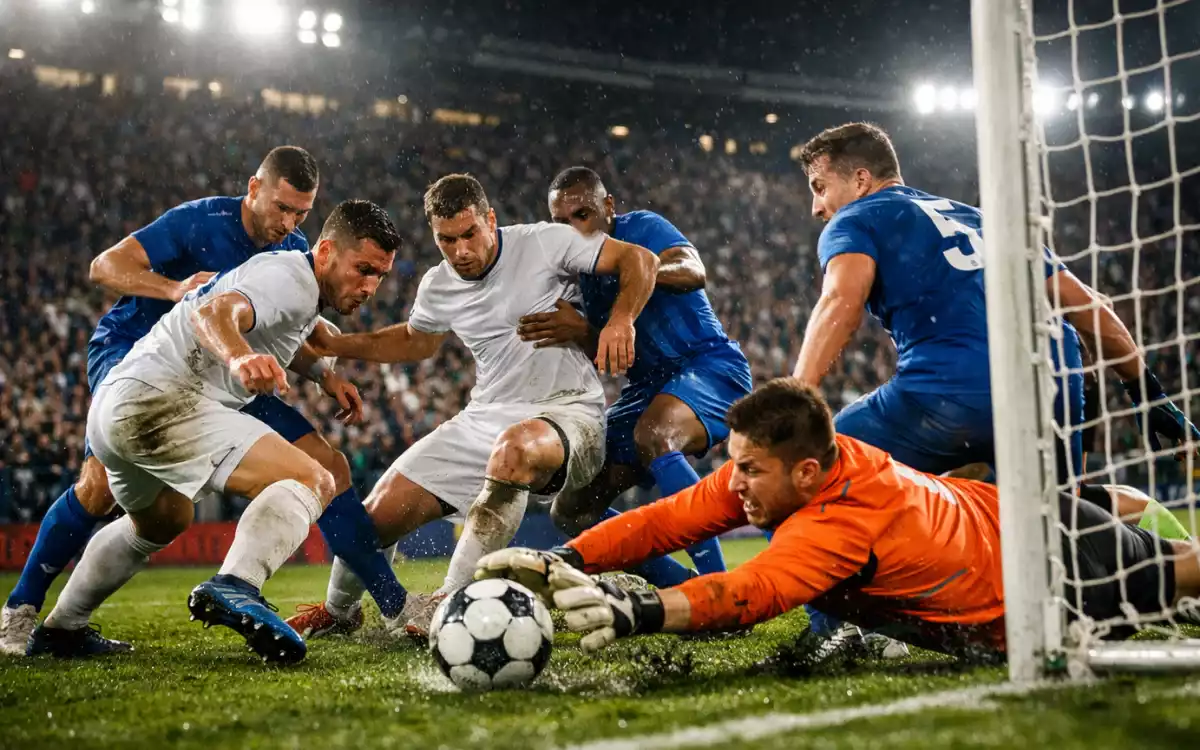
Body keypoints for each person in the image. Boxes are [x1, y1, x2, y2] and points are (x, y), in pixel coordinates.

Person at [788, 121, 1200, 648]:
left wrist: (796, 399)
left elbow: (839, 303)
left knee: (814, 475)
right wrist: (1149, 395)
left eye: (821, 188)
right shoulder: (983, 219)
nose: (817, 208)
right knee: (1055, 532)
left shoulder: (859, 218)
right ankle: (1174, 577)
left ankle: (840, 630)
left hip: (950, 391)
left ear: (862, 179)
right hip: (1052, 389)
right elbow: (1091, 307)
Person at [476, 379, 1200, 658]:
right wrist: (566, 556)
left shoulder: (840, 520)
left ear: (808, 473)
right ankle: (1130, 506)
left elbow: (750, 594)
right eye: (737, 464)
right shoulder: (785, 469)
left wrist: (638, 613)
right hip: (1006, 519)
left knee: (1182, 577)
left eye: (749, 470)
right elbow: (665, 522)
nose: (736, 483)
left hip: (1056, 574)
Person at [0, 146, 389, 656]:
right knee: (98, 489)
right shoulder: (204, 223)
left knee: (167, 518)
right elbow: (108, 267)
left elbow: (275, 330)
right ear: (254, 189)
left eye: (301, 213)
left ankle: (63, 628)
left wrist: (320, 371)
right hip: (143, 359)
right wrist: (176, 289)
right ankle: (20, 611)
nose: (288, 222)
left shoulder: (293, 252)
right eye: (281, 207)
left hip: (199, 377)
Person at [285, 173, 660, 640]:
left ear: (490, 220)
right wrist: (339, 345)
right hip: (484, 417)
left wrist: (620, 321)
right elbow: (416, 343)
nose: (460, 250)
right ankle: (338, 612)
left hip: (568, 412)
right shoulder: (439, 285)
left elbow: (639, 259)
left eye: (469, 235)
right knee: (371, 518)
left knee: (515, 450)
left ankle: (450, 604)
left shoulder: (545, 242)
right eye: (446, 240)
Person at [510, 167, 752, 587]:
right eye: (560, 223)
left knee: (655, 433)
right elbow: (611, 358)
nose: (571, 230)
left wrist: (634, 270)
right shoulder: (570, 275)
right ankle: (680, 587)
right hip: (646, 388)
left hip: (709, 365)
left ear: (608, 207)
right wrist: (583, 333)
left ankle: (720, 590)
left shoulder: (640, 227)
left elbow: (694, 269)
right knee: (571, 510)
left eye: (581, 215)